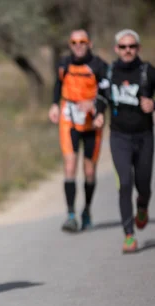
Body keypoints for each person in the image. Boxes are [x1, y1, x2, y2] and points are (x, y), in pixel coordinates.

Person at [99, 29, 155, 253]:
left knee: (143, 186)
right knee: (124, 184)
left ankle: (142, 207)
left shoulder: (148, 71)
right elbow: (101, 97)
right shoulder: (110, 72)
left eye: (132, 46)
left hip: (144, 137)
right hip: (119, 137)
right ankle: (129, 236)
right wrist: (99, 113)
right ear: (116, 49)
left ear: (138, 48)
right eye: (123, 47)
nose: (127, 50)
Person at [48, 29, 109, 232]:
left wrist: (95, 107)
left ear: (89, 44)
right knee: (70, 164)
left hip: (92, 122)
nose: (78, 45)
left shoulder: (100, 66)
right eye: (74, 42)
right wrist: (55, 105)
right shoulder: (64, 64)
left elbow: (107, 93)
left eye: (82, 41)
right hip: (69, 119)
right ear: (70, 45)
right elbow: (58, 84)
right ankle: (71, 214)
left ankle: (87, 210)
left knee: (89, 170)